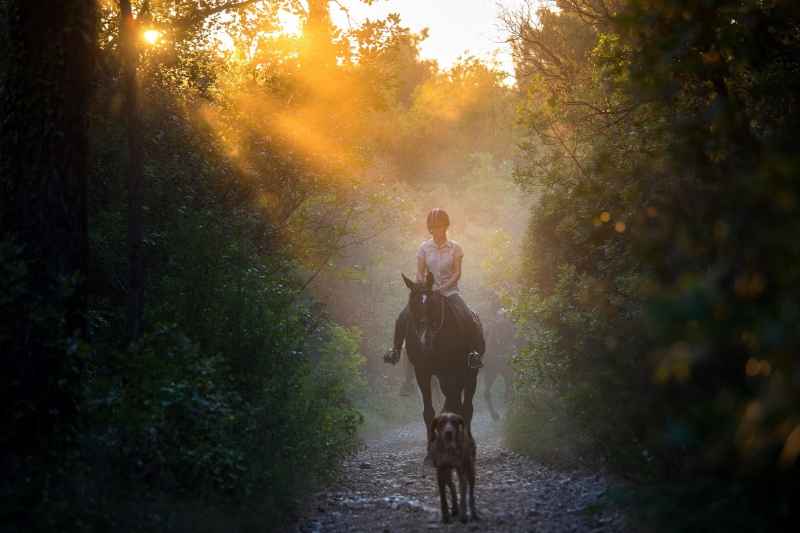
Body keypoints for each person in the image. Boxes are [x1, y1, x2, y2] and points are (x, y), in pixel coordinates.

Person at [385, 208, 485, 369]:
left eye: (439, 227)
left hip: (449, 292)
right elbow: (420, 270)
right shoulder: (424, 247)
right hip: (427, 292)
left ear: (446, 227)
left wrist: (443, 287)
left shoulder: (455, 248)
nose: (435, 230)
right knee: (403, 315)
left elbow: (457, 273)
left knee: (467, 315)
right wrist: (421, 286)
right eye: (432, 227)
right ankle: (395, 350)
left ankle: (473, 353)